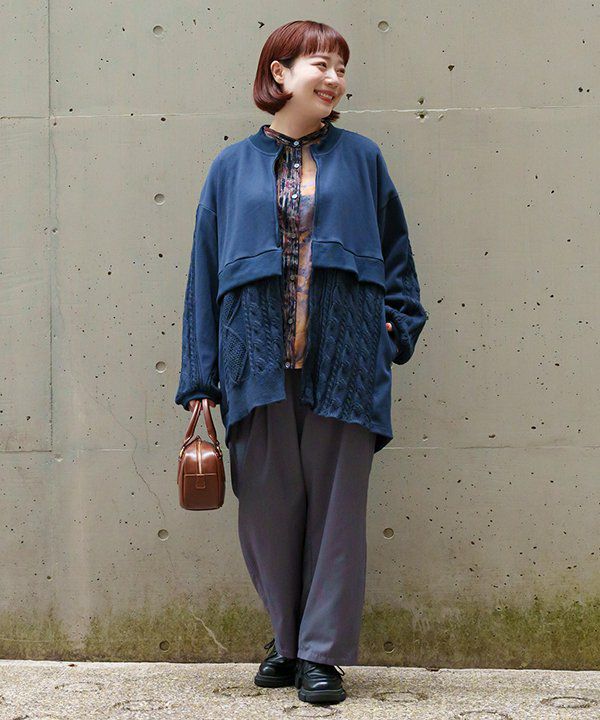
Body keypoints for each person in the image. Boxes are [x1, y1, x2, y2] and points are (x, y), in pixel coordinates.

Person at [175, 20, 429, 705]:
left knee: (338, 512)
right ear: (279, 73)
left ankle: (322, 654)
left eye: (342, 67)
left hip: (346, 361)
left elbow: (397, 256)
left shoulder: (363, 158)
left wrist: (392, 329)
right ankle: (286, 641)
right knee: (267, 509)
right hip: (254, 361)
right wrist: (200, 376)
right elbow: (204, 272)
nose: (335, 77)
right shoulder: (230, 167)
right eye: (321, 63)